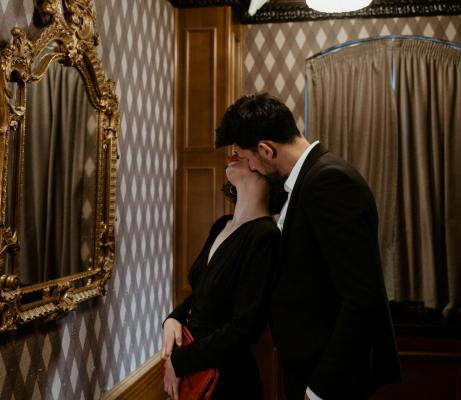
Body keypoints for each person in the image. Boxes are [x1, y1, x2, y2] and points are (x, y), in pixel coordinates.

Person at [215, 93, 401, 400]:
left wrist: (320, 390)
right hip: (308, 366)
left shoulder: (329, 181)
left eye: (247, 157)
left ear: (266, 149)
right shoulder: (304, 182)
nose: (250, 166)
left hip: (329, 376)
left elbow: (360, 299)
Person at [161, 152, 284, 399]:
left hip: (228, 381)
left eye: (244, 151)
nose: (233, 154)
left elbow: (244, 329)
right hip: (195, 370)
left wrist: (180, 362)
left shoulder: (265, 236)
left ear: (265, 168)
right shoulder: (222, 224)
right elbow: (201, 293)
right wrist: (173, 318)